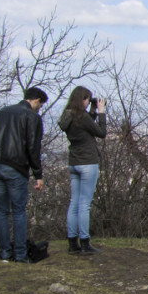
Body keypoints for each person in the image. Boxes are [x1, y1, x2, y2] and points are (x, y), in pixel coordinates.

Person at [0, 86, 48, 263]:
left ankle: (5, 253)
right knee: (19, 211)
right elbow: (33, 147)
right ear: (36, 100)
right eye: (40, 105)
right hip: (15, 166)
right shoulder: (31, 117)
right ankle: (20, 255)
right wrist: (38, 175)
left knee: (1, 211)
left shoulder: (2, 112)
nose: (39, 108)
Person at [58, 86, 106, 254]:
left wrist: (91, 112)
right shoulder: (82, 117)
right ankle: (85, 243)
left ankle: (73, 243)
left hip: (74, 162)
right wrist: (100, 113)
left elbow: (85, 126)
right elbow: (101, 132)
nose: (88, 102)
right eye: (87, 99)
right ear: (82, 99)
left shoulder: (67, 116)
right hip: (88, 162)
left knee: (74, 203)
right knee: (84, 205)